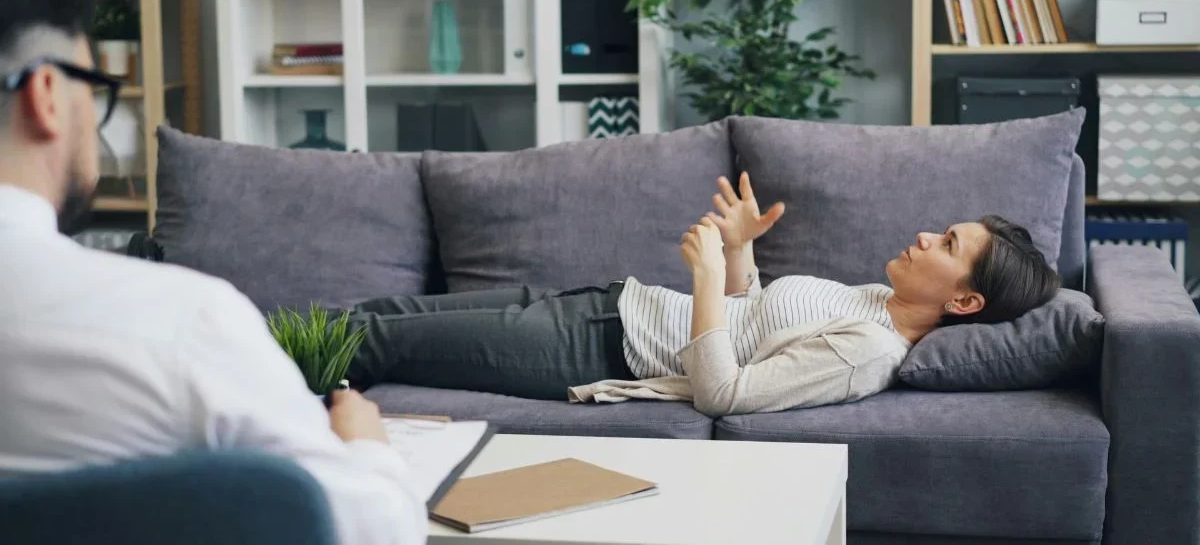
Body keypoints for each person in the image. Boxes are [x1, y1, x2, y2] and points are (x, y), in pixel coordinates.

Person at [0, 0, 426, 544]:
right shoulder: (183, 323)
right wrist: (367, 449)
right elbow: (373, 529)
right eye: (93, 88)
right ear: (46, 94)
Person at [347, 172, 1061, 415]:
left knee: (374, 342)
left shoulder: (867, 355)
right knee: (380, 317)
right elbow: (755, 318)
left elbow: (726, 389)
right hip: (609, 302)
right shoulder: (876, 299)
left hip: (597, 348)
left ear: (964, 301)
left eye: (947, 245)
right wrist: (742, 252)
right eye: (942, 230)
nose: (927, 236)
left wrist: (708, 274)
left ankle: (236, 365)